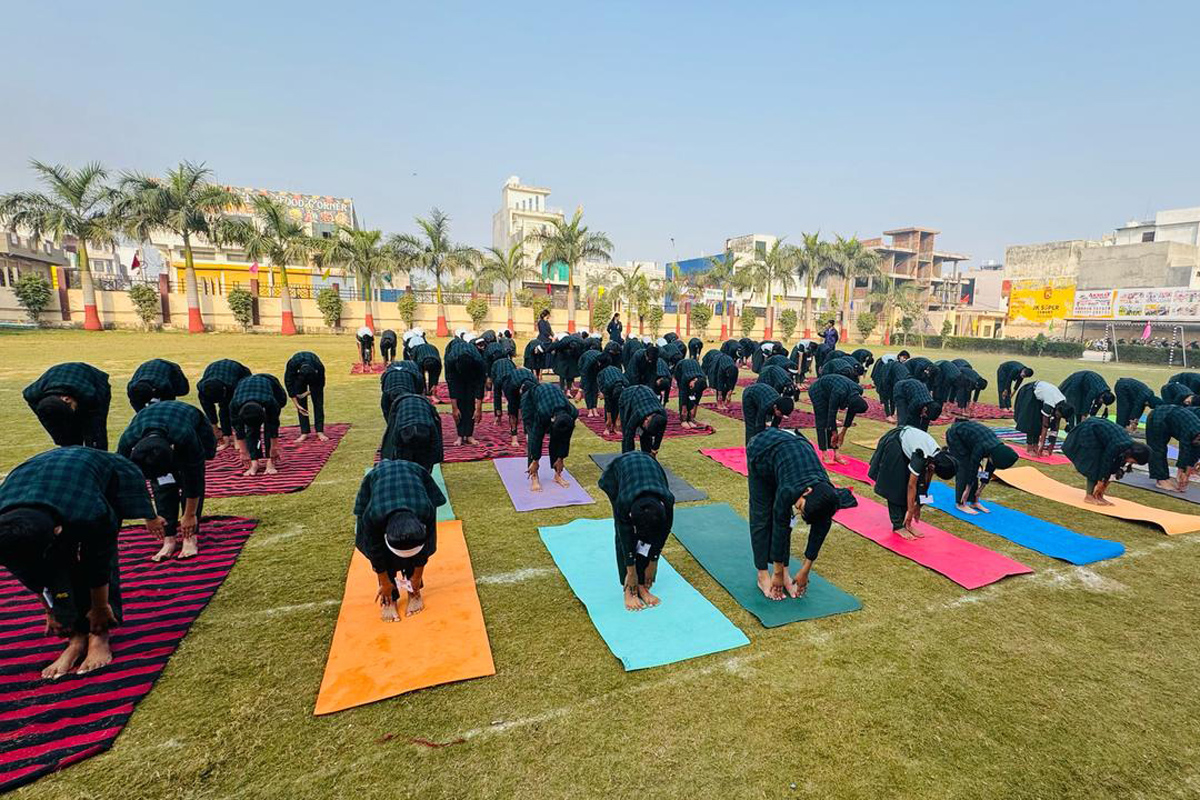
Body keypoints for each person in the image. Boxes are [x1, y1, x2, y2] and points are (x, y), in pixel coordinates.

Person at [0, 447, 162, 678]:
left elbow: (99, 562)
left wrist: (99, 608)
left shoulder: (91, 512)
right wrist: (51, 610)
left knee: (94, 558)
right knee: (55, 564)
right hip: (34, 486)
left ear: (58, 530)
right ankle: (76, 639)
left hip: (96, 475)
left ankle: (99, 635)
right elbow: (27, 570)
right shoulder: (5, 534)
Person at [747, 428, 855, 599]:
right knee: (762, 514)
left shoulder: (827, 495)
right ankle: (762, 574)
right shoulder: (789, 490)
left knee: (788, 518)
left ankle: (786, 571)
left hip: (792, 453)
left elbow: (821, 527)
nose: (797, 508)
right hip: (763, 449)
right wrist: (776, 573)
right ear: (807, 491)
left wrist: (805, 570)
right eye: (801, 507)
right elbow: (779, 526)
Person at [117, 400, 216, 560]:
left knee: (188, 476)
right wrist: (149, 516)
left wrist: (190, 515)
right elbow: (129, 484)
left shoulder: (186, 437)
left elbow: (194, 480)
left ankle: (190, 537)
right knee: (163, 485)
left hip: (190, 420)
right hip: (153, 425)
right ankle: (169, 538)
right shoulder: (128, 443)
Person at [353, 458, 446, 621]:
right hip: (381, 482)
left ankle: (414, 591)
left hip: (412, 474)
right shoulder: (373, 515)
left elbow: (426, 545)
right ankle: (389, 598)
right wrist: (385, 582)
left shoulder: (425, 509)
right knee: (373, 549)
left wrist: (416, 577)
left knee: (422, 549)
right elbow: (375, 550)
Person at [597, 451, 675, 611]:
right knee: (624, 536)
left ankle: (641, 585)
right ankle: (629, 589)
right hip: (617, 473)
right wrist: (631, 572)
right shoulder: (624, 504)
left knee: (648, 535)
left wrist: (653, 562)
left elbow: (661, 534)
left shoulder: (667, 502)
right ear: (631, 515)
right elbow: (625, 537)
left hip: (649, 466)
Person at [868, 425, 957, 539]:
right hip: (896, 443)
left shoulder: (936, 457)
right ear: (933, 466)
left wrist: (919, 504)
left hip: (909, 446)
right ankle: (898, 525)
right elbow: (911, 486)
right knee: (897, 485)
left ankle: (907, 524)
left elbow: (925, 482)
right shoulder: (921, 456)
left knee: (912, 486)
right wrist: (910, 512)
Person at [1062, 417, 1150, 505]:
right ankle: (1089, 496)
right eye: (1133, 462)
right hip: (1088, 431)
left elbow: (1114, 467)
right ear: (1134, 455)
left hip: (1098, 432)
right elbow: (1106, 462)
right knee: (1095, 464)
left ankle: (1098, 496)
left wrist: (1103, 486)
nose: (1131, 463)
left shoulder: (1127, 447)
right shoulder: (1118, 445)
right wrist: (1101, 481)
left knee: (1103, 469)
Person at [24, 362, 112, 450]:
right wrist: (62, 440)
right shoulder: (32, 395)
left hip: (93, 379)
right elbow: (49, 422)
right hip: (55, 380)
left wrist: (97, 449)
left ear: (67, 399)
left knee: (93, 435)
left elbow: (97, 427)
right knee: (66, 436)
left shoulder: (91, 395)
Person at [944, 420, 1020, 515]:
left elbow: (989, 470)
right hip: (956, 436)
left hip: (970, 439)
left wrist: (981, 488)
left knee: (974, 471)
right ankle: (960, 503)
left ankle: (973, 502)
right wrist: (967, 490)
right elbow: (973, 467)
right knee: (964, 469)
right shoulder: (982, 447)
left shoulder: (997, 449)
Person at [523, 381, 578, 491]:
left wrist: (561, 457)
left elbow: (565, 438)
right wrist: (535, 461)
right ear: (552, 420)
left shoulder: (573, 413)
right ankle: (534, 476)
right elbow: (536, 438)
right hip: (531, 401)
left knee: (557, 439)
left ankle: (557, 474)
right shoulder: (543, 413)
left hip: (553, 403)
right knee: (533, 436)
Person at [231, 373, 287, 476]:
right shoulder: (234, 405)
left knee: (269, 428)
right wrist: (243, 451)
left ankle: (270, 462)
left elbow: (273, 427)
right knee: (252, 430)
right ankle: (255, 462)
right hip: (244, 383)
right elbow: (239, 430)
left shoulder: (271, 402)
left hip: (271, 383)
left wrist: (274, 449)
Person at [808, 373, 869, 464]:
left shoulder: (858, 391)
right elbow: (831, 415)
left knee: (831, 424)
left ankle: (836, 454)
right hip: (818, 391)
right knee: (822, 420)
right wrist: (835, 434)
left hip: (832, 389)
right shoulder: (838, 393)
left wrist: (842, 433)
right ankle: (825, 454)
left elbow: (851, 413)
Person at [381, 392, 444, 472]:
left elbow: (394, 441)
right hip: (412, 429)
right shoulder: (430, 423)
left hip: (413, 429)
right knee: (417, 460)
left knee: (409, 459)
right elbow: (435, 443)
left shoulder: (399, 416)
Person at [197, 358, 251, 450]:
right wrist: (214, 426)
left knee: (229, 408)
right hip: (216, 372)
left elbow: (230, 411)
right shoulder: (203, 390)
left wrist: (238, 437)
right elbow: (208, 408)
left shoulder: (233, 385)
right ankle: (227, 436)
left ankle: (237, 436)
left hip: (240, 373)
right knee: (222, 409)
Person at [1144, 404, 1200, 493]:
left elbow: (1194, 454)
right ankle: (1161, 480)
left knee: (1192, 450)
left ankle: (1165, 479)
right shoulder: (1191, 431)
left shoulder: (1196, 437)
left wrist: (1186, 475)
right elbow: (1184, 452)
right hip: (1158, 416)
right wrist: (1180, 475)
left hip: (1171, 419)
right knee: (1158, 449)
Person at [444, 336, 487, 446]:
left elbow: (480, 385)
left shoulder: (479, 362)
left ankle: (469, 435)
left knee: (470, 401)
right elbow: (451, 384)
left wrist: (479, 408)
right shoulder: (450, 360)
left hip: (472, 375)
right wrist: (454, 408)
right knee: (460, 401)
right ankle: (460, 435)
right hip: (456, 374)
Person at [1013, 380, 1073, 458]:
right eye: (1059, 415)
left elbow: (1056, 425)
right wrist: (1041, 448)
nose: (1058, 417)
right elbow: (1045, 426)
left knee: (1039, 422)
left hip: (1041, 397)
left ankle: (1035, 446)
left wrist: (1051, 446)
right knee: (1032, 421)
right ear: (1058, 409)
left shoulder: (1062, 402)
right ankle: (1030, 448)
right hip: (1030, 391)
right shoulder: (1050, 403)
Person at [284, 351, 328, 443]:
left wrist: (306, 393)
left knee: (318, 403)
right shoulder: (292, 365)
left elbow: (320, 386)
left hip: (315, 377)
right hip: (299, 376)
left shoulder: (319, 367)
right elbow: (289, 385)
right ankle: (304, 432)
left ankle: (320, 431)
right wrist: (297, 405)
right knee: (301, 404)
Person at [619, 383, 668, 455]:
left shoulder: (663, 415)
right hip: (627, 396)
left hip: (646, 394)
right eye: (645, 426)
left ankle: (646, 455)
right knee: (626, 432)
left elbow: (660, 432)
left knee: (646, 435)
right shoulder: (637, 414)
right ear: (647, 419)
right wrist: (629, 456)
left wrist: (654, 449)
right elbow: (628, 434)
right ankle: (627, 457)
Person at [501, 366, 538, 446]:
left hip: (527, 382)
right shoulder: (511, 386)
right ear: (521, 390)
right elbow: (512, 413)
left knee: (529, 411)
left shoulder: (535, 385)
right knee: (513, 412)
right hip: (510, 384)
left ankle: (528, 434)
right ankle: (514, 436)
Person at [673, 357, 708, 429]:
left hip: (694, 367)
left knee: (692, 396)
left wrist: (693, 414)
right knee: (685, 396)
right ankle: (683, 419)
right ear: (694, 380)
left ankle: (690, 418)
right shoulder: (685, 378)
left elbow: (697, 398)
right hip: (680, 368)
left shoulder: (702, 383)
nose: (690, 387)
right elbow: (683, 396)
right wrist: (684, 415)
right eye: (691, 386)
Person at [597, 364, 630, 436]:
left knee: (618, 406)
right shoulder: (607, 386)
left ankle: (616, 427)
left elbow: (623, 405)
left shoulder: (626, 386)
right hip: (606, 380)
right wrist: (609, 420)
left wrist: (618, 420)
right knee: (610, 405)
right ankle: (608, 427)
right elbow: (608, 403)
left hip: (619, 383)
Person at [875, 357, 911, 422]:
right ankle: (888, 416)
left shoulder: (903, 371)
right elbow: (884, 379)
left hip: (891, 381)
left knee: (892, 398)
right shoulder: (889, 367)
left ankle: (892, 414)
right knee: (886, 398)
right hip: (885, 381)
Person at [551, 332, 585, 398]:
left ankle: (564, 391)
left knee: (564, 377)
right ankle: (567, 391)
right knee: (567, 377)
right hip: (567, 362)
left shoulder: (561, 344)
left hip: (565, 362)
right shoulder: (570, 344)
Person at [579, 347, 608, 419]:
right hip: (584, 363)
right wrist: (580, 390)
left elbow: (603, 376)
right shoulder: (588, 362)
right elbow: (584, 375)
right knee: (588, 389)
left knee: (595, 388)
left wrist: (602, 390)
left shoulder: (606, 360)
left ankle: (594, 408)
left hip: (595, 369)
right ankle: (589, 410)